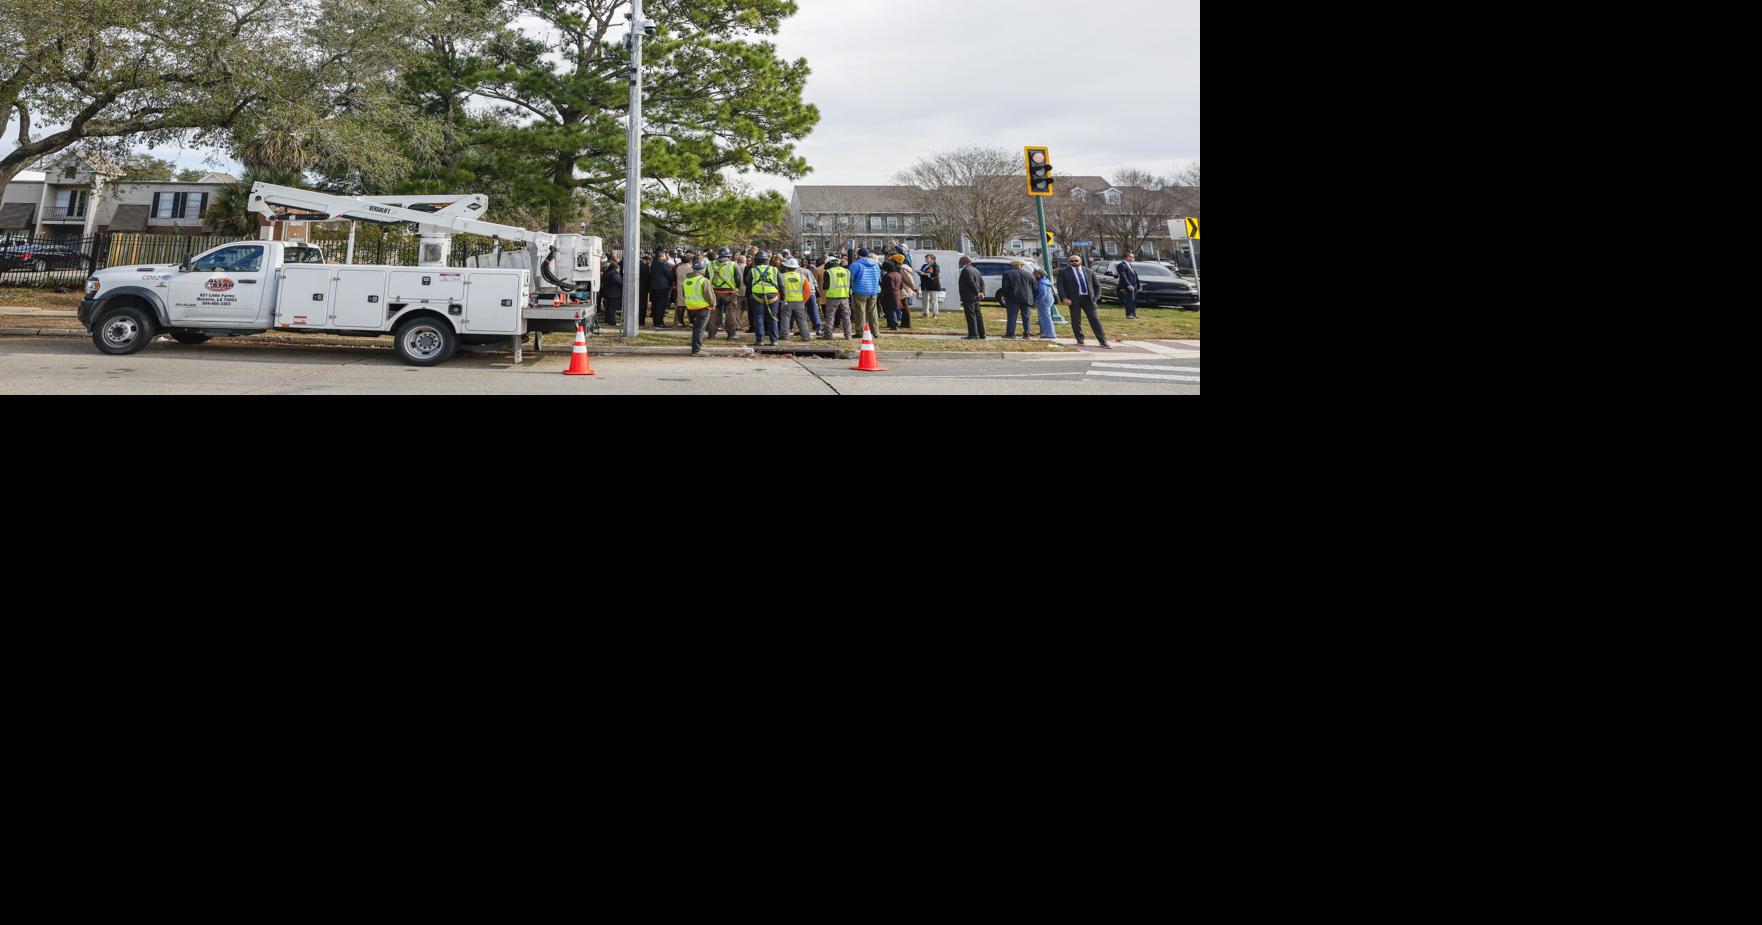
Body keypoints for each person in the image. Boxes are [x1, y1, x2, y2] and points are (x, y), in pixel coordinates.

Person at [1058, 254, 1110, 349]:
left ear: (1080, 261)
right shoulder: (1063, 272)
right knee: (1076, 320)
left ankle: (1102, 340)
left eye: (1076, 260)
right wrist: (1064, 298)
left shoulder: (1088, 271)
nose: (1074, 262)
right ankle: (1080, 339)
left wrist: (1096, 297)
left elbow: (1097, 285)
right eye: (1072, 261)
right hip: (1073, 299)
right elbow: (1060, 286)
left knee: (1094, 319)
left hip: (1088, 299)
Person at [708, 248, 744, 340]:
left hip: (715, 291)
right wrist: (736, 289)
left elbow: (706, 278)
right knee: (731, 313)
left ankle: (712, 335)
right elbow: (739, 279)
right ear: (729, 256)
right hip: (729, 292)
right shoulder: (733, 264)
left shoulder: (710, 264)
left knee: (714, 313)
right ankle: (731, 335)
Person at [681, 259, 715, 356]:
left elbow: (684, 294)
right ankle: (696, 350)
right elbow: (709, 296)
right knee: (700, 329)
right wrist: (713, 305)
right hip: (702, 308)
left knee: (696, 328)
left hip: (691, 308)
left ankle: (695, 345)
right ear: (703, 269)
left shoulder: (686, 280)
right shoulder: (704, 280)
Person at [748, 251, 782, 346]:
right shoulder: (774, 270)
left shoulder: (753, 270)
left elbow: (748, 283)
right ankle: (774, 340)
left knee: (759, 317)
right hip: (772, 296)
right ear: (767, 260)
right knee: (773, 317)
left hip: (757, 296)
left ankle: (760, 340)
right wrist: (783, 298)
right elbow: (781, 284)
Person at [849, 247, 882, 336]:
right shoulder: (876, 264)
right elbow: (879, 278)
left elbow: (850, 278)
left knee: (860, 312)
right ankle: (875, 332)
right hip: (873, 291)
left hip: (859, 290)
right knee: (873, 312)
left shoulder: (855, 265)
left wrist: (851, 288)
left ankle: (860, 332)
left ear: (858, 255)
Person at [779, 258, 814, 343]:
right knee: (801, 319)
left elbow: (778, 290)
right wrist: (804, 300)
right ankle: (805, 336)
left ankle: (784, 335)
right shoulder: (802, 277)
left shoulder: (782, 276)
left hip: (786, 301)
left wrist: (781, 300)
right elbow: (808, 291)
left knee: (785, 318)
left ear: (786, 267)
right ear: (796, 267)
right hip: (799, 301)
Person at [999, 259, 1036, 339]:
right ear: (1022, 265)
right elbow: (1034, 287)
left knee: (1012, 316)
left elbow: (1005, 287)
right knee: (1026, 316)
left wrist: (1005, 295)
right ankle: (1027, 333)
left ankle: (1010, 333)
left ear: (1012, 266)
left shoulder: (1007, 273)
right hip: (1027, 297)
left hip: (1012, 297)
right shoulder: (1029, 275)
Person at [820, 255, 854, 338]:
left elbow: (826, 287)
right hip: (844, 297)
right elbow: (851, 285)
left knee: (830, 316)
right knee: (846, 316)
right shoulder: (847, 271)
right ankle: (848, 335)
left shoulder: (828, 272)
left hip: (832, 297)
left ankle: (828, 335)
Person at [958, 256, 986, 340]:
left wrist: (977, 292)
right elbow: (982, 282)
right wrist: (981, 292)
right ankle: (982, 334)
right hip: (975, 296)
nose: (959, 264)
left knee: (970, 315)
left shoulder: (966, 270)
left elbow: (971, 282)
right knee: (978, 314)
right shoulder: (975, 270)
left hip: (968, 296)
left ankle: (973, 334)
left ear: (963, 262)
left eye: (960, 262)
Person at [648, 249, 677, 328]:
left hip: (654, 287)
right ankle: (659, 323)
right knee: (661, 305)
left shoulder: (653, 264)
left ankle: (655, 322)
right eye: (664, 255)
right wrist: (672, 281)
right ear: (662, 256)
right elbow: (669, 275)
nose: (665, 256)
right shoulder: (663, 264)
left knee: (655, 305)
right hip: (662, 287)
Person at [1033, 268, 1058, 340]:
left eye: (1035, 272)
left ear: (1039, 274)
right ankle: (1043, 331)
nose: (1033, 273)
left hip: (1044, 302)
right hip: (1048, 300)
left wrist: (1037, 300)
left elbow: (1043, 293)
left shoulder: (1041, 282)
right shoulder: (1046, 281)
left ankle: (1050, 334)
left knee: (1046, 318)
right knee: (1042, 317)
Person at [880, 257, 904, 331]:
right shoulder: (898, 274)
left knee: (890, 310)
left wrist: (883, 294)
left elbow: (889, 287)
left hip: (889, 295)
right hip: (897, 293)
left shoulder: (888, 276)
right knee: (893, 309)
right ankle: (891, 324)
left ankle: (894, 325)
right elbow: (901, 285)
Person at [893, 254, 916, 329]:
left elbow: (909, 280)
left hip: (904, 289)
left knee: (905, 307)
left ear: (896, 261)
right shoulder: (900, 267)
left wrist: (913, 288)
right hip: (903, 289)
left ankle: (908, 324)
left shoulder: (902, 269)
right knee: (903, 307)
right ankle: (904, 324)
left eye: (893, 259)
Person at [1116, 253, 1142, 320]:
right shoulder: (1121, 265)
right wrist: (1128, 285)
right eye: (1132, 257)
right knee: (1130, 300)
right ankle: (1129, 314)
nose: (1134, 258)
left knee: (1133, 300)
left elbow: (1135, 276)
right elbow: (1123, 276)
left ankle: (1133, 314)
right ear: (1127, 257)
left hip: (1134, 285)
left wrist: (1139, 286)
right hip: (1128, 286)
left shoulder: (1130, 265)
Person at [918, 255, 944, 320]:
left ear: (932, 259)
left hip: (933, 285)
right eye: (925, 258)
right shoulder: (924, 265)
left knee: (934, 300)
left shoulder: (936, 266)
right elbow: (922, 272)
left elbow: (936, 274)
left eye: (927, 258)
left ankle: (935, 314)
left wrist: (924, 274)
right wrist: (920, 273)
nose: (926, 259)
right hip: (925, 284)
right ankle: (925, 313)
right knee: (924, 300)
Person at [600, 256, 624, 326]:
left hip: (608, 293)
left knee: (608, 308)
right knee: (612, 309)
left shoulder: (607, 274)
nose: (619, 269)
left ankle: (607, 319)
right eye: (618, 268)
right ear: (615, 268)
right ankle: (612, 321)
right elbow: (622, 283)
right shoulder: (615, 275)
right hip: (615, 294)